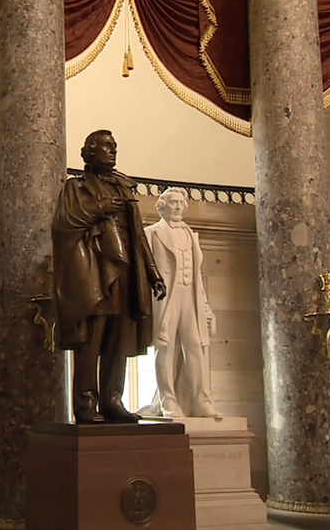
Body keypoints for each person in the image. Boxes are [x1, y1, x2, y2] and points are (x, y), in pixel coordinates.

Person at [52, 129, 166, 424]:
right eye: (106, 147)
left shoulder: (125, 187)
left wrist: (152, 273)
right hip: (95, 269)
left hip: (126, 270)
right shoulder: (75, 187)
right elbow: (64, 224)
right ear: (89, 152)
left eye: (114, 146)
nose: (112, 151)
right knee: (91, 339)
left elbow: (138, 234)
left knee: (119, 338)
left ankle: (113, 400)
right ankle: (86, 404)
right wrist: (100, 209)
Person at [143, 187, 220, 418]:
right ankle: (168, 400)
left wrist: (206, 306)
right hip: (164, 296)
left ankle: (201, 400)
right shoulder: (151, 233)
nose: (177, 206)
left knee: (195, 345)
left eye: (181, 203)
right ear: (162, 206)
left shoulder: (191, 234)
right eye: (173, 202)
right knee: (164, 346)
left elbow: (197, 274)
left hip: (190, 296)